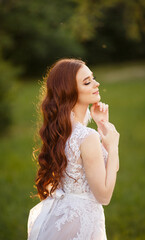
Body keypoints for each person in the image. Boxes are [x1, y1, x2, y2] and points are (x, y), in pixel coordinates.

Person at [27, 58, 120, 240]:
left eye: (93, 78)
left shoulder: (61, 129)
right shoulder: (87, 137)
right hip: (80, 223)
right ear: (69, 91)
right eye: (87, 82)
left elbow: (108, 170)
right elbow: (104, 196)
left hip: (60, 217)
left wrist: (102, 125)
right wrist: (113, 145)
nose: (96, 83)